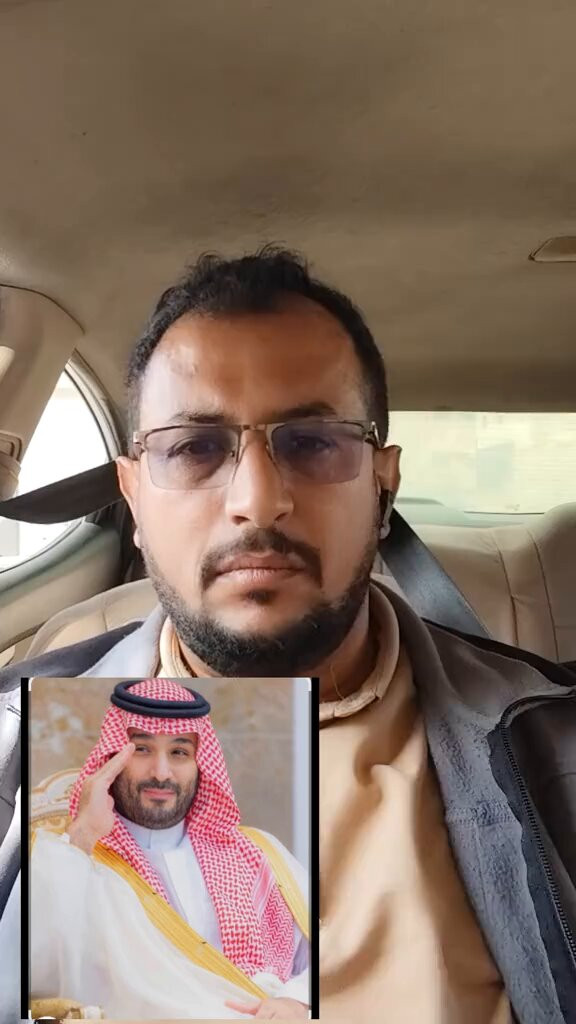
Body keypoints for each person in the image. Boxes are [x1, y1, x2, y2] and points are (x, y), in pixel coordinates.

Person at [2, 247, 576, 1023]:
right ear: (132, 497)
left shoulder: (555, 743)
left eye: (311, 443)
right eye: (194, 447)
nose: (257, 499)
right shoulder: (17, 748)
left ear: (383, 482)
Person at [31, 678, 309, 1020]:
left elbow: (334, 950)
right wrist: (85, 832)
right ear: (112, 757)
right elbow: (35, 973)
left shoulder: (258, 854)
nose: (161, 774)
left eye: (179, 752)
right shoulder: (75, 863)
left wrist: (297, 1000)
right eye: (142, 749)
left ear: (201, 764)